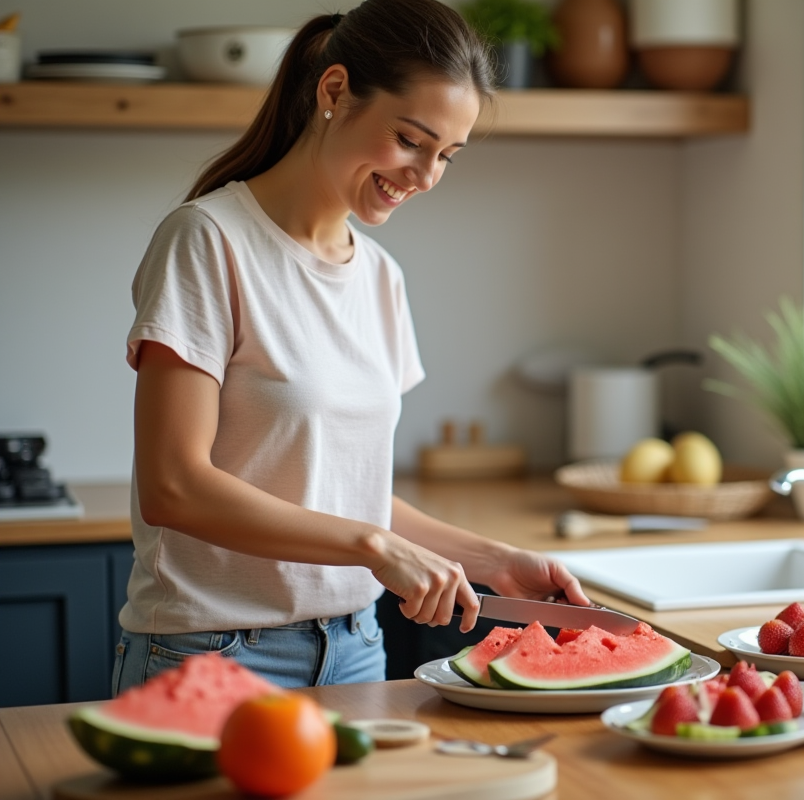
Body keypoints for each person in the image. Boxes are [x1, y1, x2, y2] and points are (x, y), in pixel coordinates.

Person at [112, 0, 589, 695]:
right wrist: (375, 548)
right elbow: (173, 486)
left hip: (356, 647)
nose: (425, 176)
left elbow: (348, 494)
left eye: (446, 156)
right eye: (410, 140)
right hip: (212, 651)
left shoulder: (381, 279)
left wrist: (497, 562)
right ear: (334, 92)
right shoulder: (208, 241)